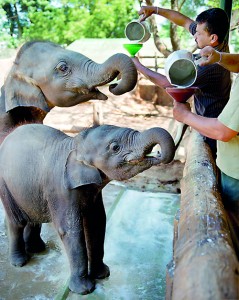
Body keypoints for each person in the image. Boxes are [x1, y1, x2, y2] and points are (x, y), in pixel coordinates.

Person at [132, 6, 231, 159]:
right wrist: (155, 10)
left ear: (213, 38)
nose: (194, 36)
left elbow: (170, 84)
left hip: (211, 128)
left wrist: (138, 66)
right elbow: (184, 21)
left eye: (198, 33)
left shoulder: (210, 66)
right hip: (205, 120)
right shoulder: (216, 45)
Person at [173, 45, 239, 209]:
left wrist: (185, 116)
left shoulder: (207, 71)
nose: (195, 38)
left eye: (199, 34)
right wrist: (219, 58)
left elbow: (223, 131)